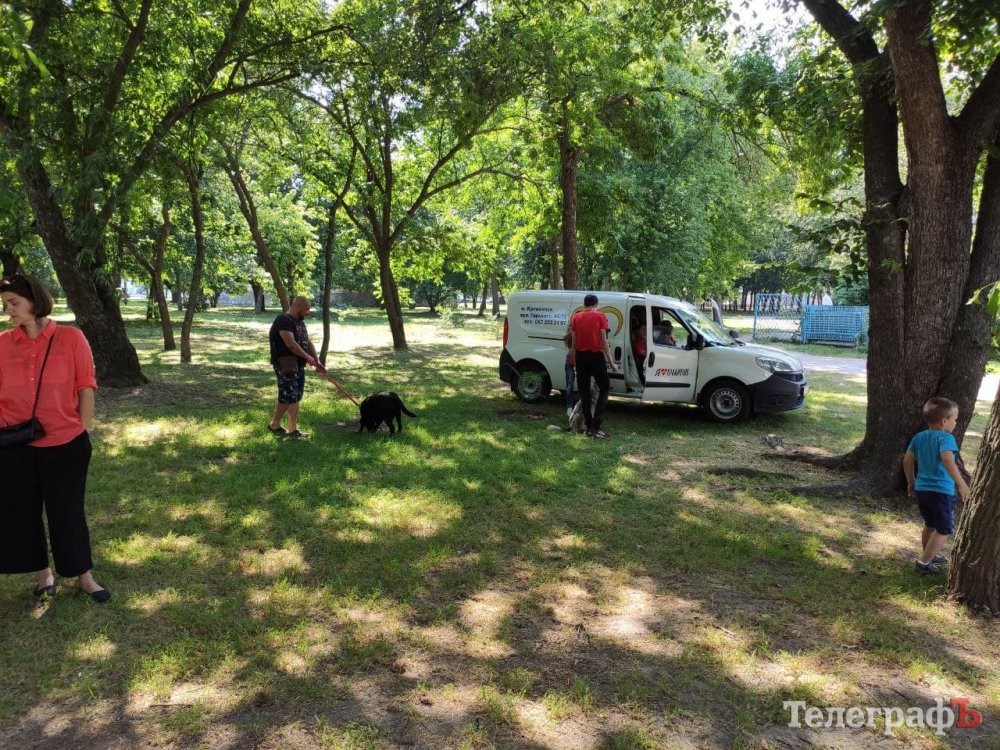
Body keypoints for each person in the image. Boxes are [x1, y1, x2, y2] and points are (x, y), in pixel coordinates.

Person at [0, 273, 109, 603]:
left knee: (67, 511)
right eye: (5, 304)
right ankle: (42, 574)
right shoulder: (2, 343)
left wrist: (83, 428)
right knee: (22, 511)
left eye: (14, 303)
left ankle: (83, 577)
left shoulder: (71, 338)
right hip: (13, 445)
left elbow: (86, 386)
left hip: (65, 443)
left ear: (34, 300)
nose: (8, 310)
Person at [903, 397, 971, 574]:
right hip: (941, 492)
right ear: (944, 421)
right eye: (955, 419)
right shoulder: (946, 438)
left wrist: (911, 482)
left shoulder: (919, 437)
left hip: (922, 489)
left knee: (930, 525)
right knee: (944, 529)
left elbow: (908, 460)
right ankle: (924, 563)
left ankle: (929, 555)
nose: (956, 422)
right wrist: (962, 484)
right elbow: (947, 460)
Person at [268, 295, 318, 439]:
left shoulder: (299, 322)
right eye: (306, 309)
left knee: (295, 397)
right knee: (287, 397)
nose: (308, 312)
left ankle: (292, 429)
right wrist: (307, 357)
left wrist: (316, 359)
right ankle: (274, 425)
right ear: (298, 306)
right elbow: (290, 344)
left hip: (298, 365)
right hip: (286, 365)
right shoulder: (283, 320)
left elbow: (307, 341)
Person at [570, 294, 618, 438]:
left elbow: (574, 342)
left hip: (580, 357)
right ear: (596, 304)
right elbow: (604, 341)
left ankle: (589, 426)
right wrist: (612, 363)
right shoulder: (600, 316)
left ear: (585, 304)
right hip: (596, 356)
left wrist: (573, 359)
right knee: (605, 387)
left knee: (584, 393)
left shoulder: (576, 317)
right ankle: (596, 427)